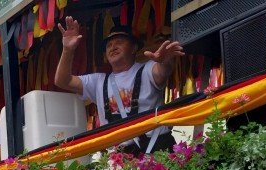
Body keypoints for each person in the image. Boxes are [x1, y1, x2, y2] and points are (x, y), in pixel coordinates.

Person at [54, 17, 185, 155]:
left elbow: (162, 70)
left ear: (134, 48)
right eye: (109, 45)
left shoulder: (147, 70)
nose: (113, 47)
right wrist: (68, 49)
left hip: (157, 149)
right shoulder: (98, 81)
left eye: (119, 42)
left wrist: (165, 61)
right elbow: (62, 81)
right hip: (119, 158)